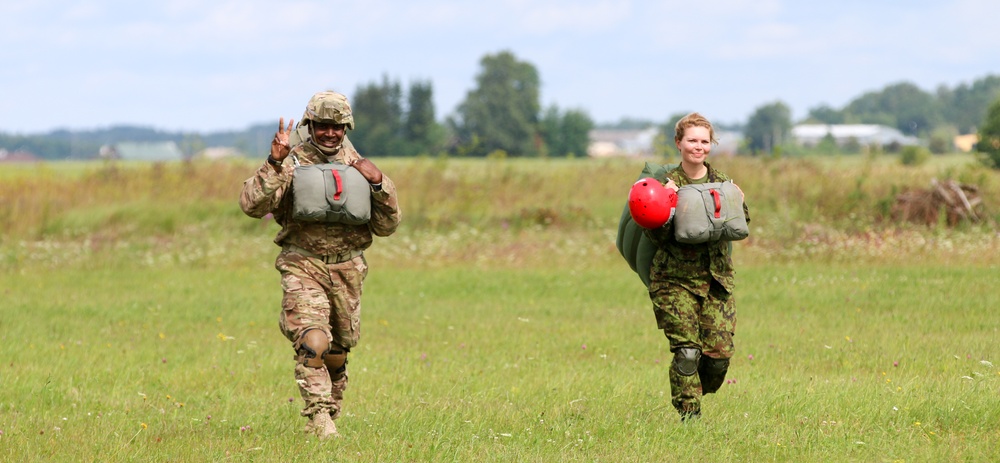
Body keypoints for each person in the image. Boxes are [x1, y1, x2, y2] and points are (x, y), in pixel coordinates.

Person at [239, 91, 401, 439]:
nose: (330, 133)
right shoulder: (291, 161)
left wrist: (379, 184)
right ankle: (320, 419)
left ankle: (331, 410)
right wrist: (274, 162)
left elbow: (387, 227)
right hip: (303, 265)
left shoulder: (359, 165)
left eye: (337, 127)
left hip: (348, 270)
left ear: (347, 128)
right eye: (322, 126)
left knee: (338, 352)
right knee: (313, 341)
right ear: (310, 125)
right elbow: (251, 205)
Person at [644, 112, 749, 421]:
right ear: (679, 143)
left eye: (704, 141)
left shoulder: (723, 183)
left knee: (718, 359)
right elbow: (656, 236)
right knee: (688, 352)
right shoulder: (667, 184)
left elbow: (742, 226)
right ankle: (690, 417)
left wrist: (738, 203)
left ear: (711, 144)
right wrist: (668, 207)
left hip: (716, 281)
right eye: (692, 140)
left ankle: (691, 388)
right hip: (674, 280)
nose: (698, 147)